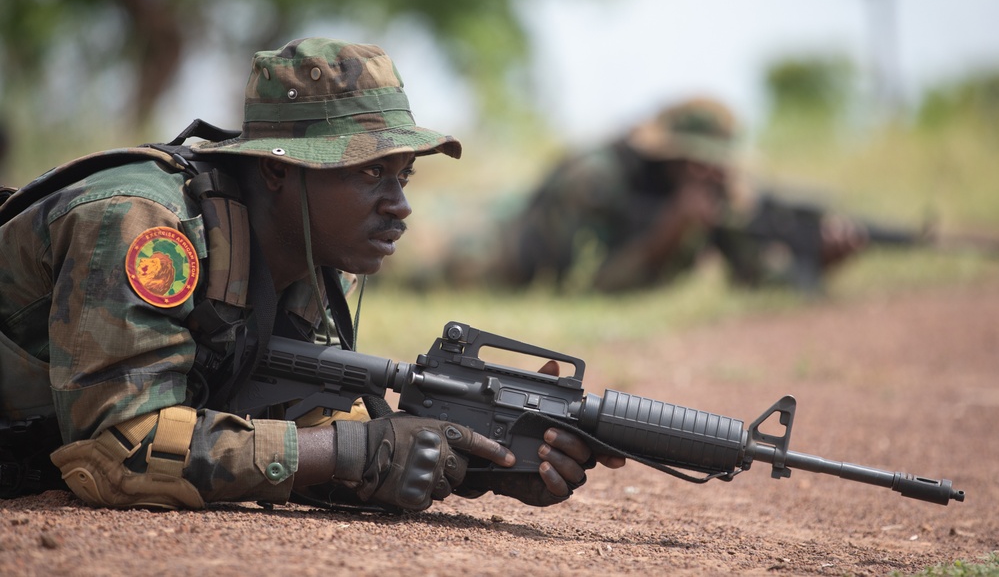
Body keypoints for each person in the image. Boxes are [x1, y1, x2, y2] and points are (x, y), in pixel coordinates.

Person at [0, 37, 622, 510]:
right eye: (369, 172)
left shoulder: (322, 259)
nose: (399, 204)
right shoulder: (145, 224)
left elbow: (298, 430)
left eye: (403, 175)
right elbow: (119, 449)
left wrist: (476, 460)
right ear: (277, 171)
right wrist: (355, 450)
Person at [445, 97, 866, 294]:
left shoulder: (712, 194)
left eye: (719, 164)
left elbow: (753, 276)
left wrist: (817, 260)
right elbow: (582, 285)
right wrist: (669, 232)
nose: (712, 173)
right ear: (671, 154)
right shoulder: (595, 178)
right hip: (480, 251)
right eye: (699, 160)